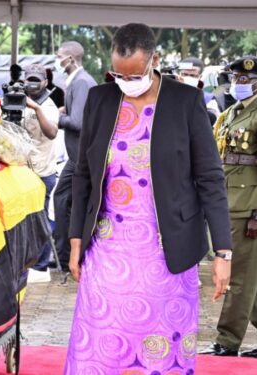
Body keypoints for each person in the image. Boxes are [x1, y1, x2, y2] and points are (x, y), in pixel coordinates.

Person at [64, 23, 232, 373]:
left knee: (161, 346)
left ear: (153, 60)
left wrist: (223, 252)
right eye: (118, 74)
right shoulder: (100, 99)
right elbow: (83, 176)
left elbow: (211, 179)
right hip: (108, 248)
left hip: (167, 250)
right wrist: (76, 240)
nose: (127, 83)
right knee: (101, 341)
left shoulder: (185, 101)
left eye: (135, 74)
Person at [203, 56, 257, 358]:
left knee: (238, 276)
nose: (239, 84)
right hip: (229, 201)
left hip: (249, 206)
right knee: (250, 279)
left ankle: (227, 341)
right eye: (236, 79)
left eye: (247, 80)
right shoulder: (232, 113)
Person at [52, 41, 97, 272]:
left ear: (70, 59)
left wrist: (54, 117)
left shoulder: (81, 82)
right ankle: (66, 255)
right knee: (63, 201)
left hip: (82, 158)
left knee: (68, 203)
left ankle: (70, 256)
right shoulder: (80, 82)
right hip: (76, 156)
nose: (56, 60)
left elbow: (78, 123)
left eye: (58, 56)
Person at [22, 65, 59, 279]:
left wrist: (37, 108)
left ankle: (41, 265)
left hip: (42, 171)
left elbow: (52, 132)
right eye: (29, 79)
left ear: (45, 82)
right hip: (22, 169)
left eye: (37, 80)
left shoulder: (48, 105)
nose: (32, 84)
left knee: (40, 217)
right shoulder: (19, 99)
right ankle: (27, 261)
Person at [178, 56, 219, 124]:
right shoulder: (169, 91)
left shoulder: (207, 96)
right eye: (185, 74)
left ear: (200, 77)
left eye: (192, 75)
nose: (188, 77)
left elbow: (213, 118)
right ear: (179, 74)